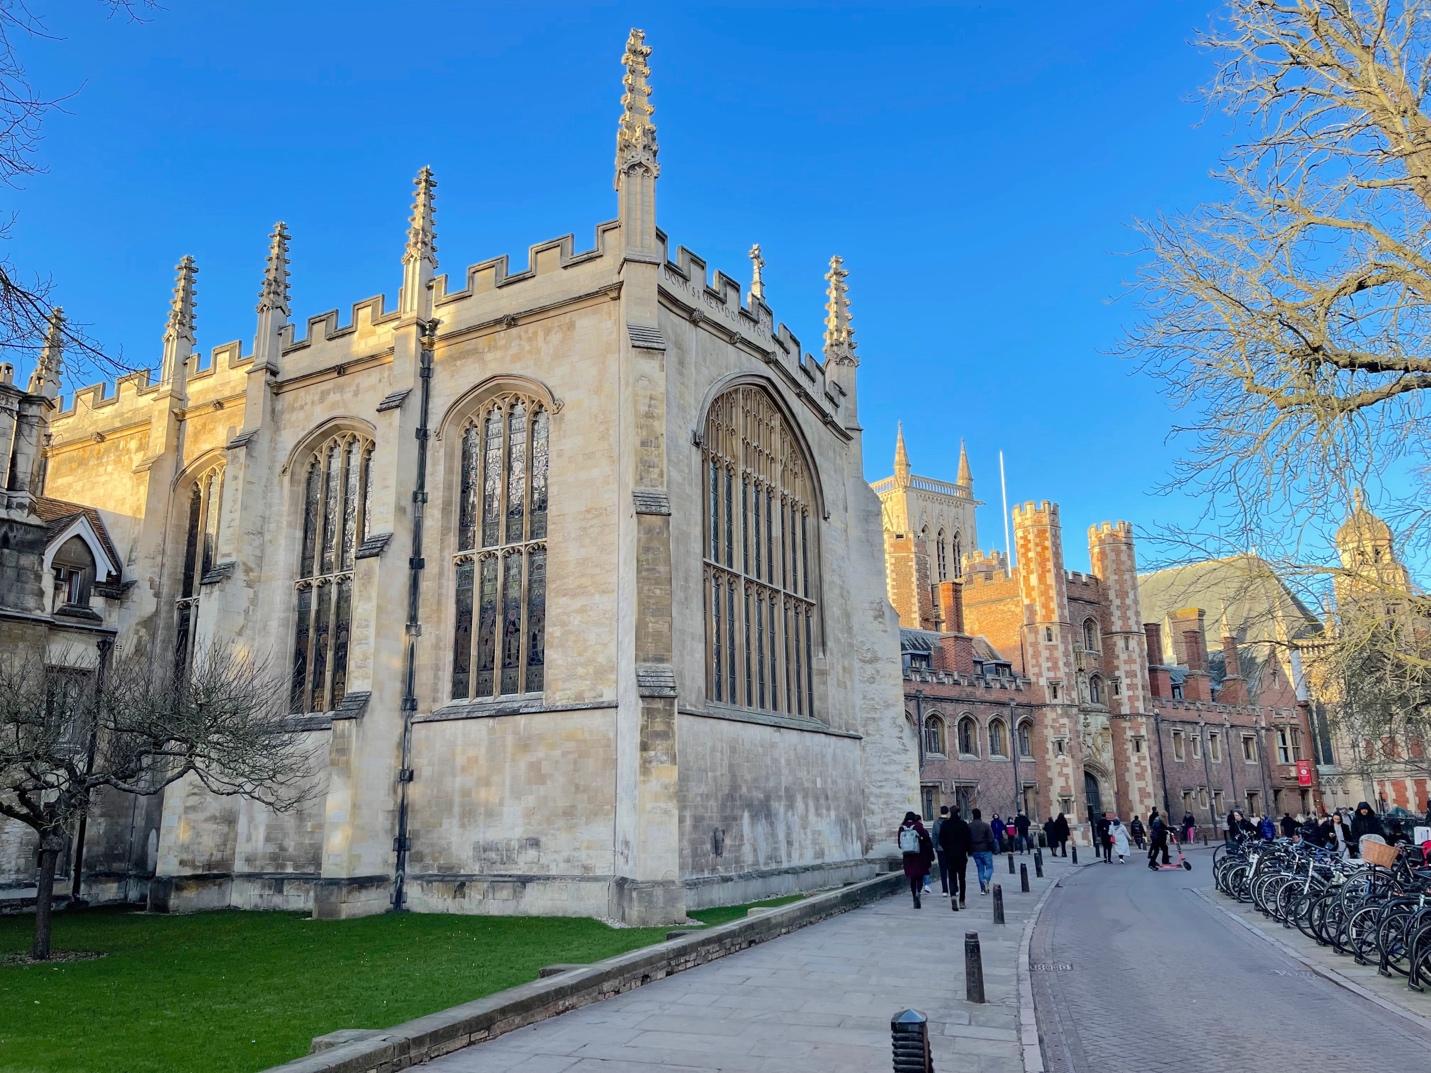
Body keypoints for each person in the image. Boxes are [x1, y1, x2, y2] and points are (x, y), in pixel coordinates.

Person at [898, 811, 934, 908]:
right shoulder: (918, 826)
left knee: (912, 878)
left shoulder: (902, 827)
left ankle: (914, 896)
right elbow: (926, 838)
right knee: (919, 876)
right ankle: (918, 892)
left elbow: (899, 844)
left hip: (908, 858)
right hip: (919, 856)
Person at [938, 806, 973, 907]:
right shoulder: (963, 824)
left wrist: (946, 849)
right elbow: (968, 839)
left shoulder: (945, 824)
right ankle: (962, 900)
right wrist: (968, 851)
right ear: (958, 813)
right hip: (961, 855)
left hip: (949, 855)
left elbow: (941, 840)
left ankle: (953, 894)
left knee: (952, 876)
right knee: (962, 878)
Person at [969, 808, 996, 894]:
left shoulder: (969, 826)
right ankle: (985, 879)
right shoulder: (985, 825)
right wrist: (994, 848)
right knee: (989, 867)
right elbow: (991, 838)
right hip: (985, 849)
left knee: (980, 869)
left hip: (975, 850)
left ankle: (983, 889)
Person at [931, 806, 950, 895]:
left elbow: (934, 837)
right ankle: (955, 888)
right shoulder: (950, 822)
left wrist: (935, 847)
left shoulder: (936, 823)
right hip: (950, 849)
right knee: (952, 869)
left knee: (942, 870)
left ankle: (945, 890)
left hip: (940, 849)